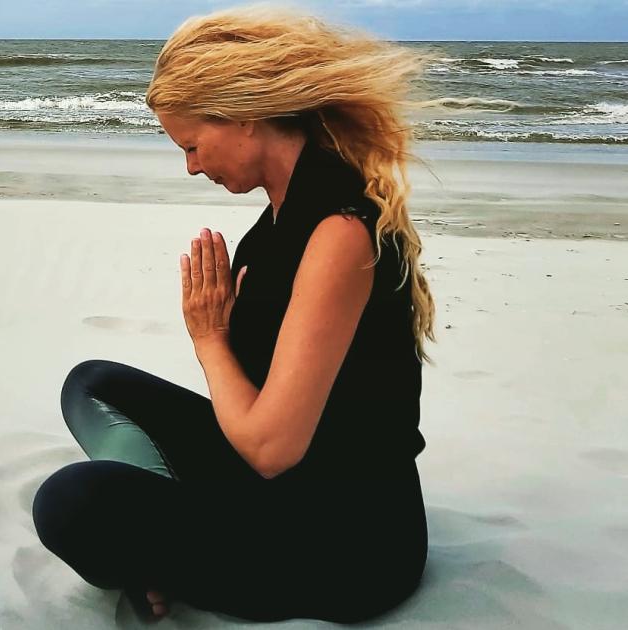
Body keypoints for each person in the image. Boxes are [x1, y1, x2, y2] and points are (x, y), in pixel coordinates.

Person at [31, 4, 439, 624]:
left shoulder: (339, 231)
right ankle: (162, 537)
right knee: (93, 384)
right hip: (267, 492)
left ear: (245, 116)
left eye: (192, 144)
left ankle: (153, 553)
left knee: (70, 502)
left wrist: (210, 339)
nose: (191, 166)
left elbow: (272, 447)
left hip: (346, 547)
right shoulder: (278, 218)